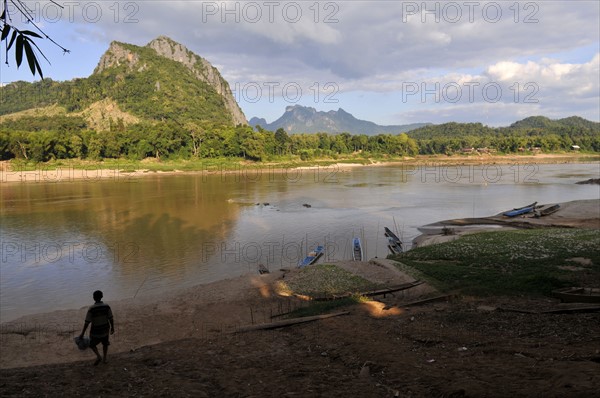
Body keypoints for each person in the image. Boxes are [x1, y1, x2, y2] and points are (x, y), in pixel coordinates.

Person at [79, 290, 115, 366]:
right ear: (102, 296)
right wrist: (112, 328)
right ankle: (104, 359)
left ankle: (99, 356)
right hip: (105, 329)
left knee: (91, 344)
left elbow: (87, 322)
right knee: (105, 344)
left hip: (95, 331)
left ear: (93, 298)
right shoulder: (106, 306)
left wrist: (82, 333)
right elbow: (111, 318)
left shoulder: (91, 309)